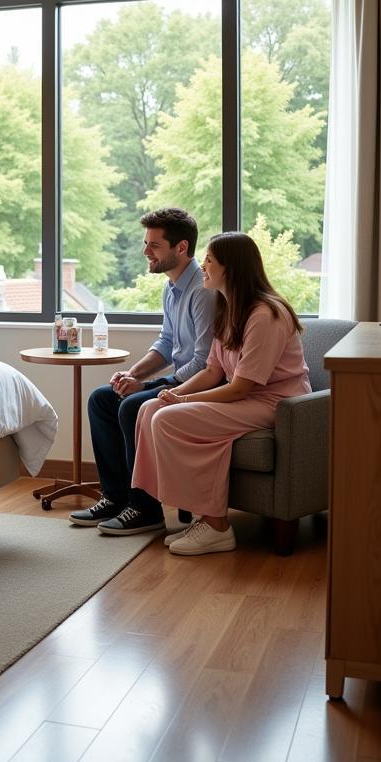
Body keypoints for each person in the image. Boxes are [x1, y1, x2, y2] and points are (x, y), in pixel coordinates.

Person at [127, 231, 312, 556]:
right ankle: (201, 516)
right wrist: (174, 391)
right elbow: (213, 371)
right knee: (150, 409)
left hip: (276, 405)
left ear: (231, 268)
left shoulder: (265, 315)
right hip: (246, 399)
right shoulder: (228, 310)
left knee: (168, 419)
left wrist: (184, 401)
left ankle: (217, 527)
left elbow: (242, 386)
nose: (205, 267)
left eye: (210, 260)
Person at [71, 207, 215, 534]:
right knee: (102, 399)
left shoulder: (202, 293)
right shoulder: (171, 287)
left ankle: (145, 508)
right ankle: (116, 497)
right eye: (145, 243)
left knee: (132, 406)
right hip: (180, 379)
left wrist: (151, 384)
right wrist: (133, 375)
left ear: (181, 248)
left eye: (154, 245)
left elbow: (205, 362)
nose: (145, 251)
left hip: (201, 386)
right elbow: (167, 342)